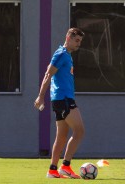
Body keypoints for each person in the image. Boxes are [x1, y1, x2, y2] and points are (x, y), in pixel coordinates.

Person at [34, 28, 85, 179]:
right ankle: (66, 166)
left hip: (62, 99)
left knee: (62, 136)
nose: (78, 44)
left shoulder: (67, 56)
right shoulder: (61, 54)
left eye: (80, 42)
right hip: (63, 99)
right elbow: (48, 74)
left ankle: (52, 170)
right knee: (79, 131)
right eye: (77, 40)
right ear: (68, 37)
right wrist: (40, 96)